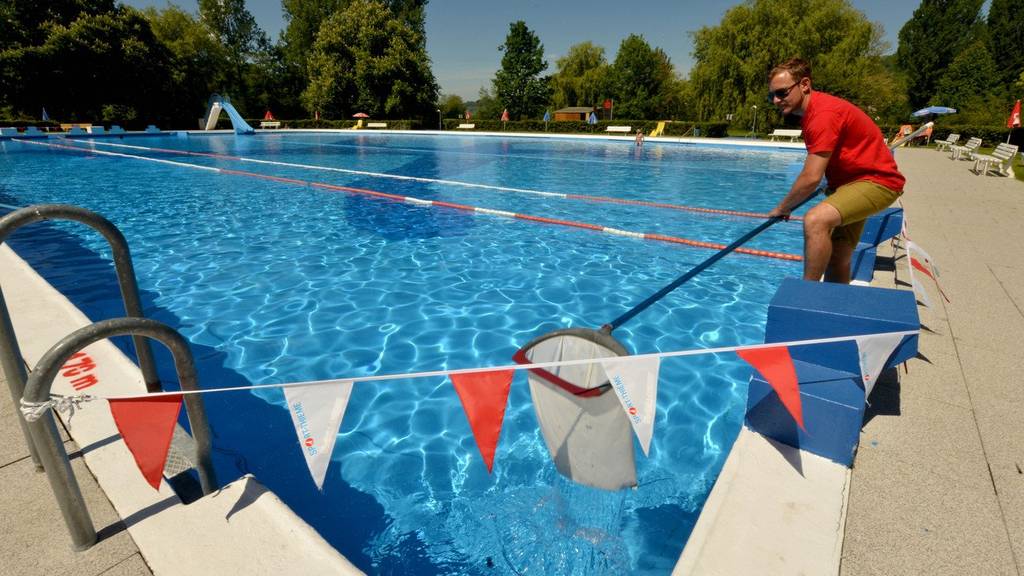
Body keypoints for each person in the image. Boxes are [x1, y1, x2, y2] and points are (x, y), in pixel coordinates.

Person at [766, 58, 905, 284]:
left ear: (804, 84)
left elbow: (811, 177)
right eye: (771, 95)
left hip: (877, 182)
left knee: (815, 220)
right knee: (838, 255)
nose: (776, 100)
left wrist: (783, 207)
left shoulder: (823, 114)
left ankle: (806, 297)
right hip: (854, 184)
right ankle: (833, 304)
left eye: (781, 93)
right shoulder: (815, 112)